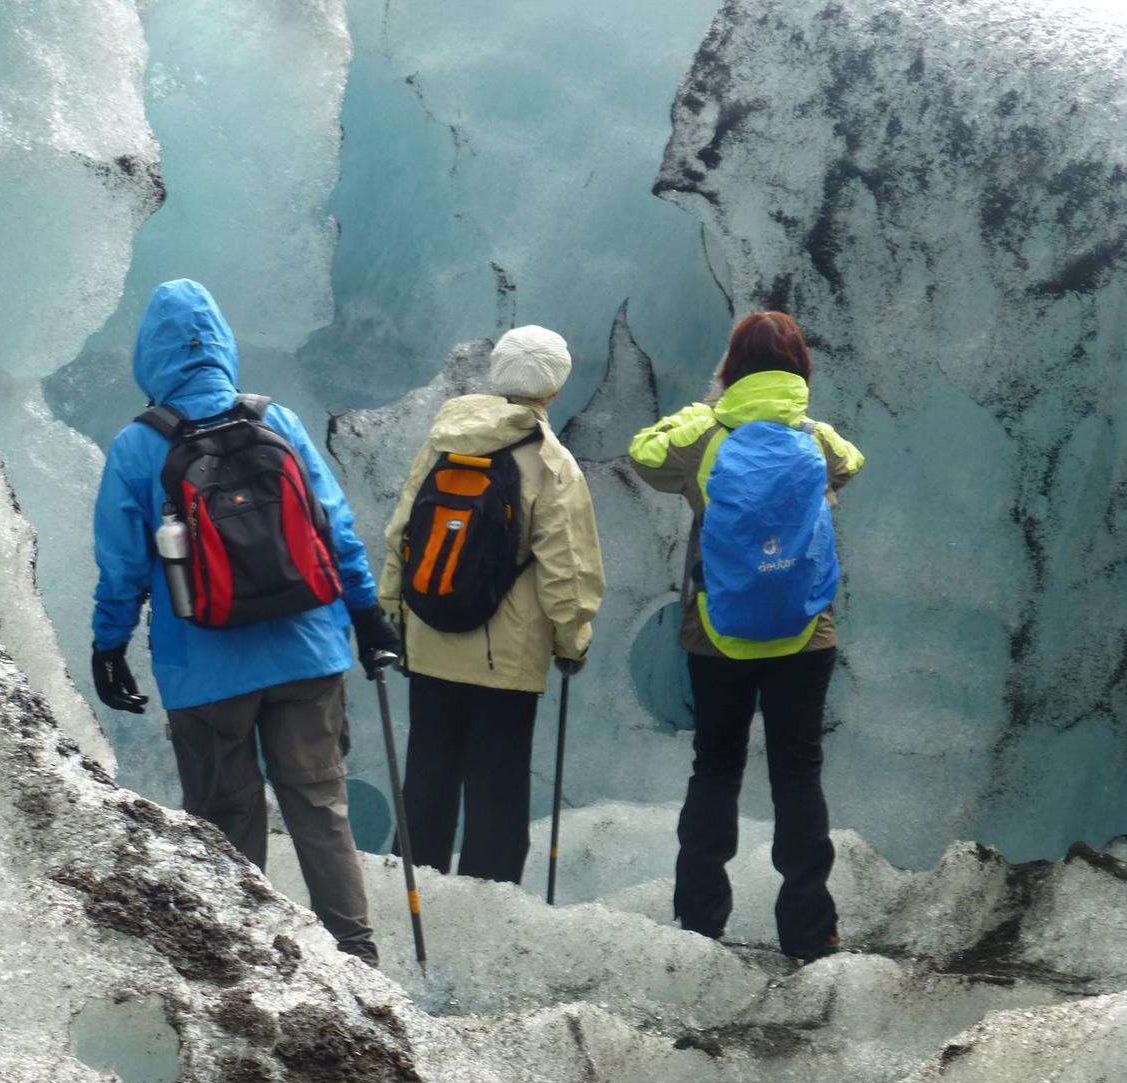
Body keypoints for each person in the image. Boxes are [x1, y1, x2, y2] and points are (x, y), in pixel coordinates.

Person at [90, 279, 399, 968]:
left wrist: (109, 646)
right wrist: (368, 614)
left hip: (207, 668)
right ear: (222, 345)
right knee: (320, 805)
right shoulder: (275, 421)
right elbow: (336, 529)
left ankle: (249, 963)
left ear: (151, 356)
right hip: (307, 650)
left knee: (228, 824)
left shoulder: (139, 448)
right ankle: (356, 958)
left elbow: (121, 568)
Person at [627, 310, 864, 964]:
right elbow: (852, 462)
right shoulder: (814, 438)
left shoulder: (705, 435)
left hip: (718, 633)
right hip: (804, 634)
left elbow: (645, 453)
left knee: (716, 771)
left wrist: (701, 411)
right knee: (798, 774)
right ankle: (810, 931)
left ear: (732, 367)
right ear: (800, 369)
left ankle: (702, 923)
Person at [378, 326, 605, 884]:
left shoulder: (443, 441)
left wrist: (395, 616)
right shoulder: (550, 463)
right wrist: (572, 641)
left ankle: (418, 892)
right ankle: (488, 907)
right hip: (506, 658)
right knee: (496, 790)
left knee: (428, 775)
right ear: (554, 389)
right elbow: (568, 571)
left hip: (430, 640)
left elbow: (401, 535)